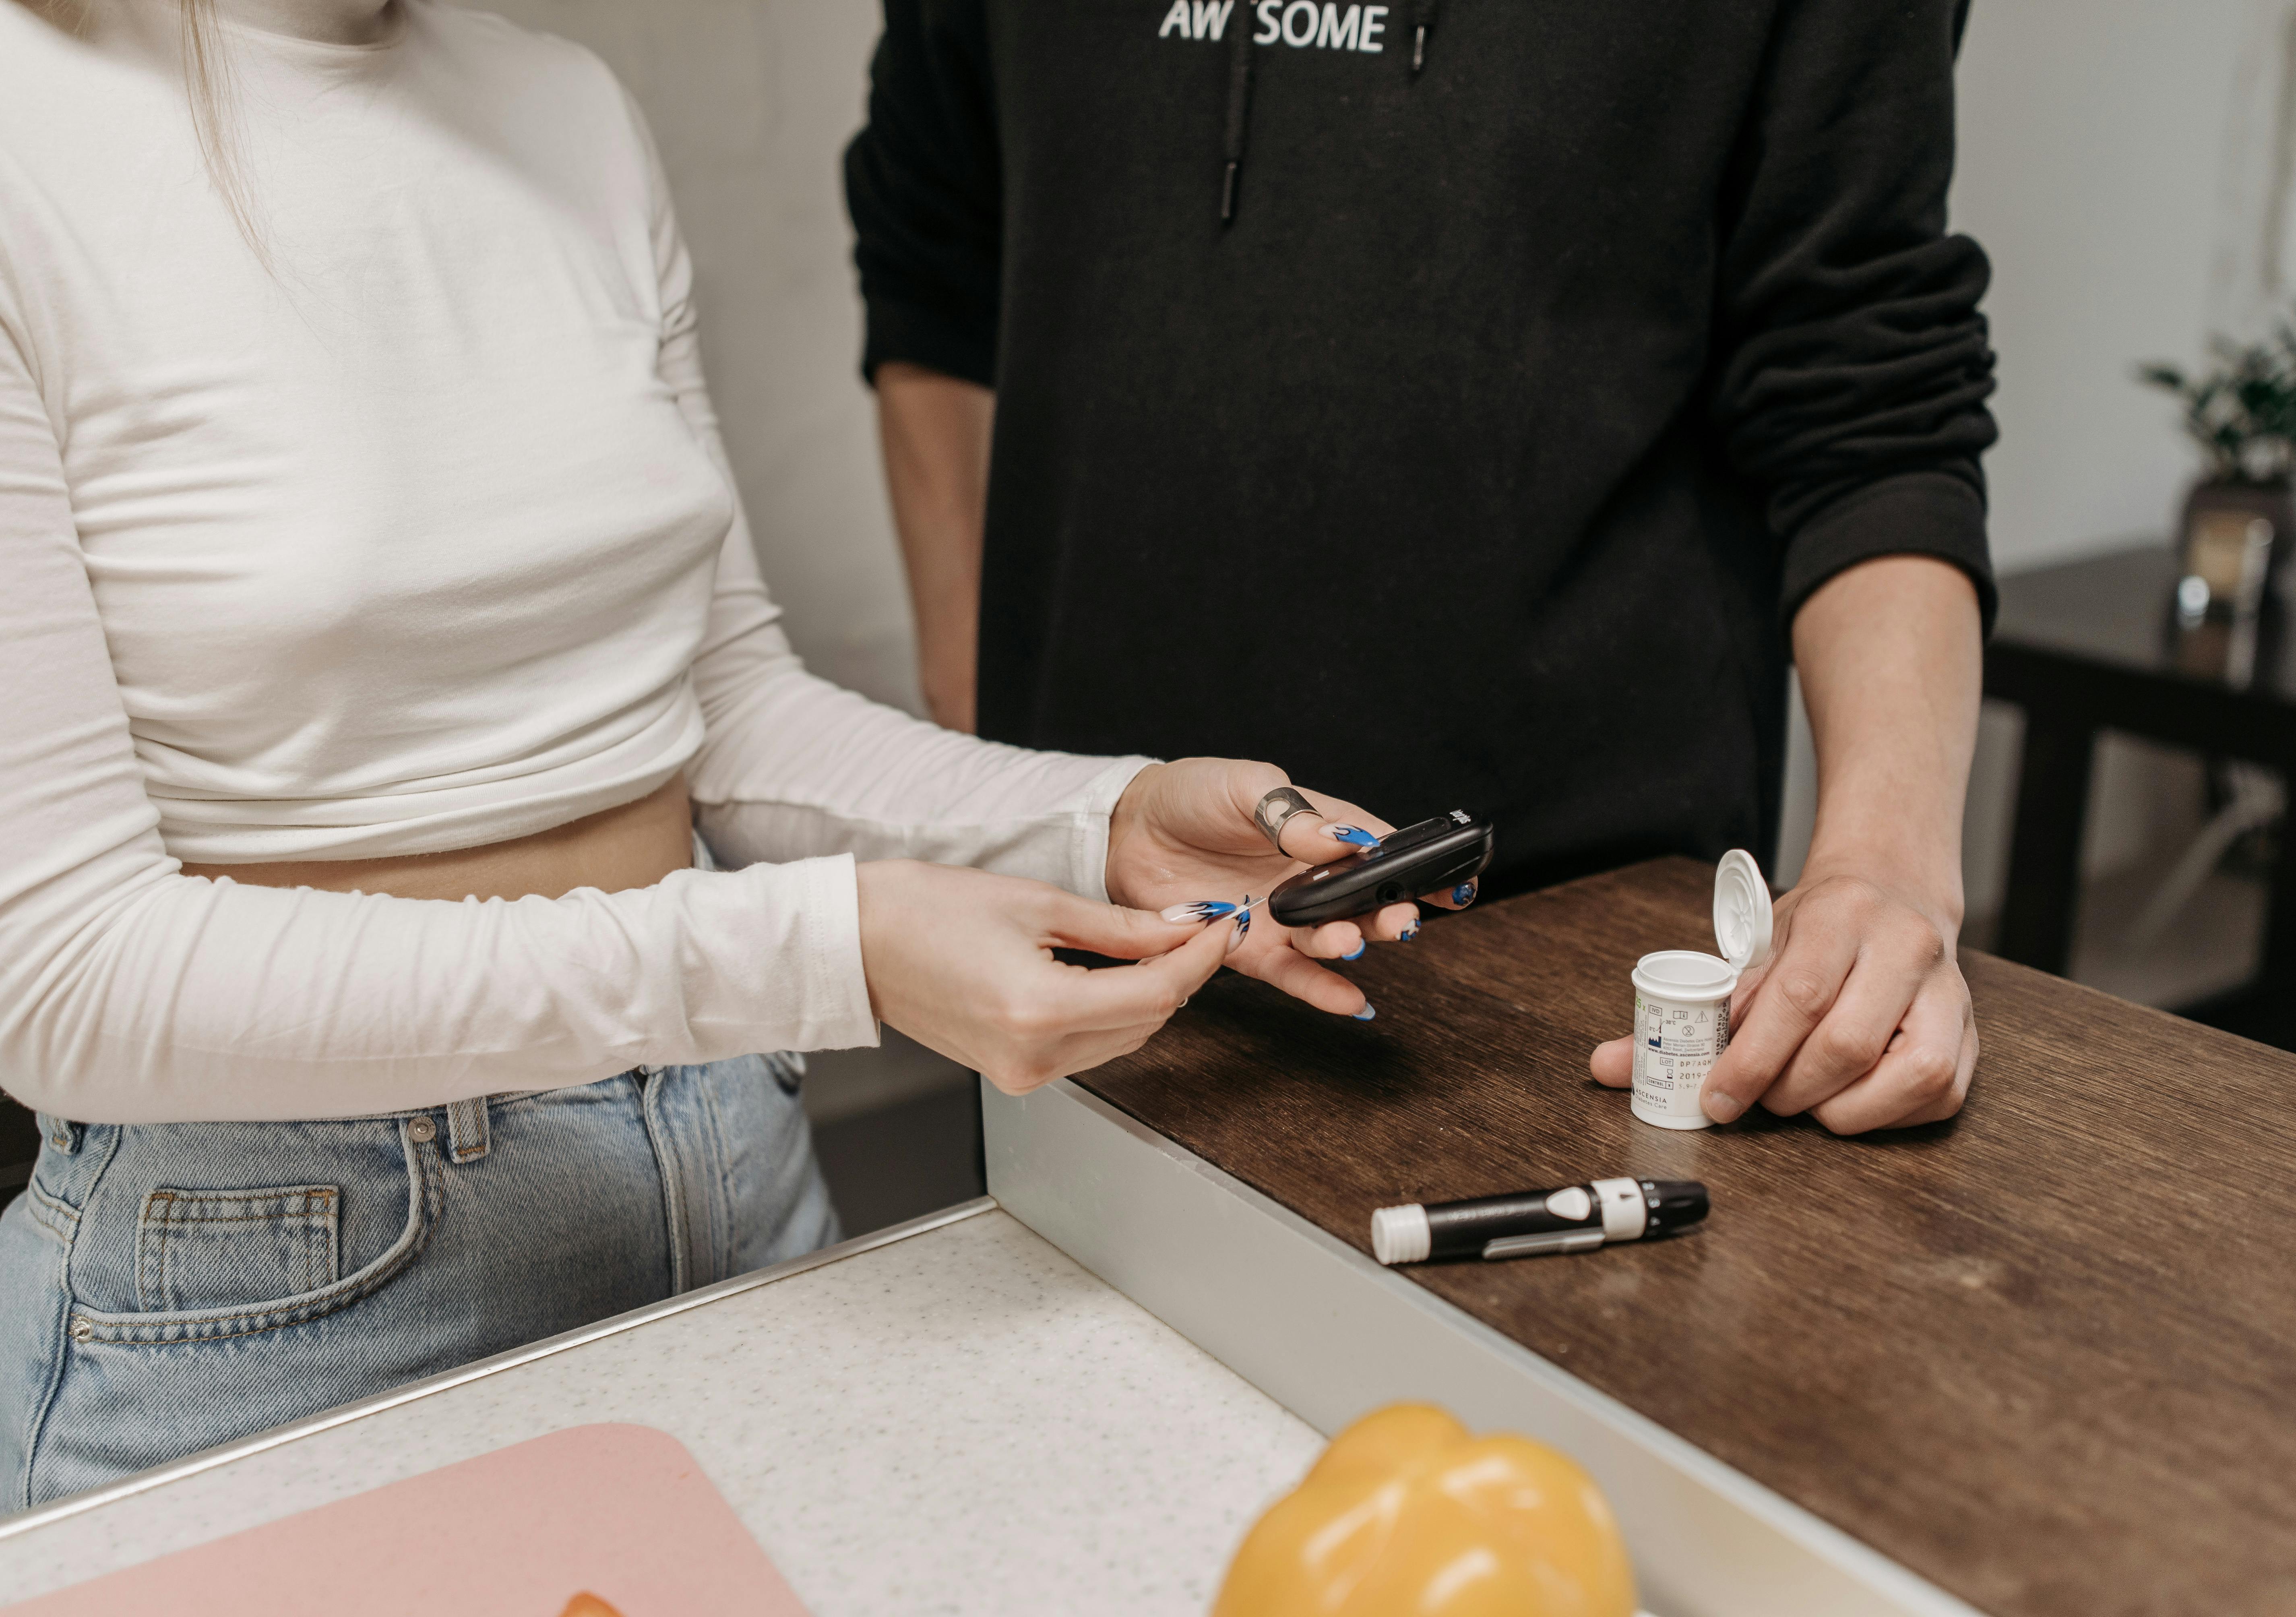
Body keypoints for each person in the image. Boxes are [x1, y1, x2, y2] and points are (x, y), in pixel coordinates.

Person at [0, 0, 1427, 1508]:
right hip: (279, 1274)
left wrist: (1096, 823)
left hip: (726, 1151)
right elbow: (69, 979)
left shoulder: (563, 107)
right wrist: (822, 950)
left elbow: (724, 713)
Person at [847, 0, 1995, 1136]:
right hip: (1093, 898)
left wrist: (1887, 869)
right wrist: (986, 760)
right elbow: (932, 267)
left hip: (1582, 955)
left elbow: (1866, 386)